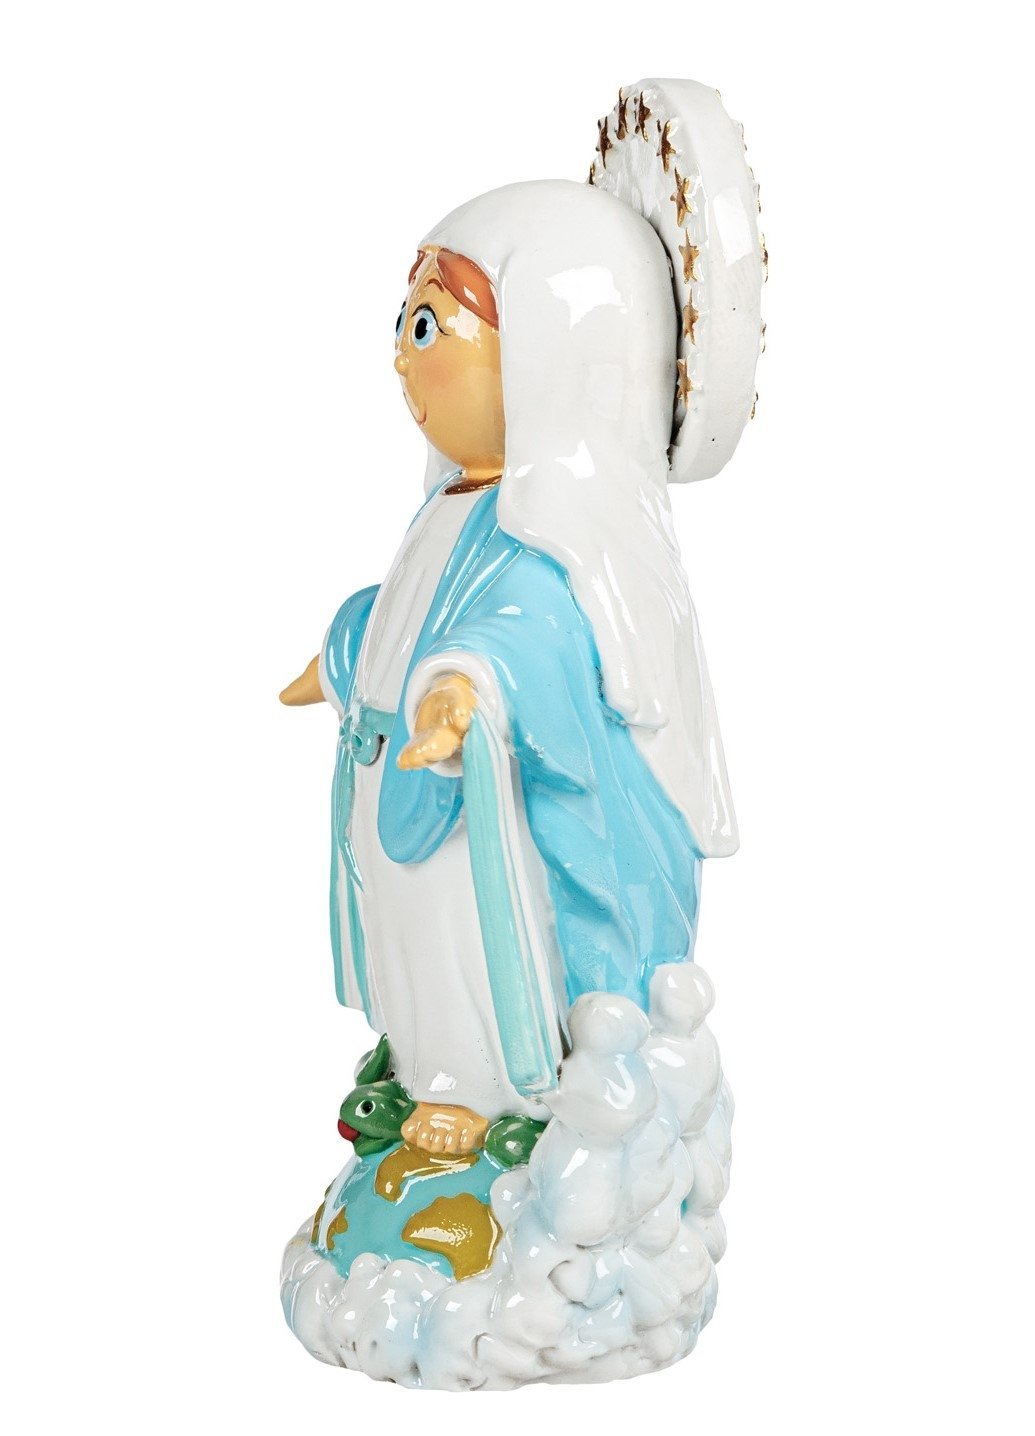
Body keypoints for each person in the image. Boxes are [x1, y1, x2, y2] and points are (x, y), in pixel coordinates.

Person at [281, 180, 737, 1155]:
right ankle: (424, 1067)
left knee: (465, 940)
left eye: (430, 326)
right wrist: (348, 648)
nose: (403, 354)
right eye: (405, 325)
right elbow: (407, 612)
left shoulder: (553, 538)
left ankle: (483, 1088)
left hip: (470, 798)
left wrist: (466, 689)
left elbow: (534, 637)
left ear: (541, 359)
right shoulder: (451, 507)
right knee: (411, 939)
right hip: (401, 776)